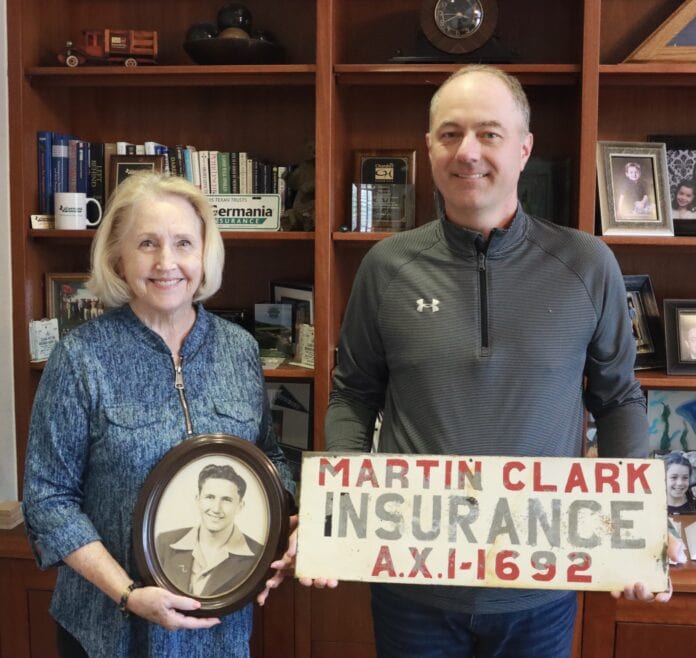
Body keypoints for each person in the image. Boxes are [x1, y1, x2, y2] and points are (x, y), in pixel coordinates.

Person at [301, 64, 672, 658]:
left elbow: (618, 397)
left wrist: (638, 527)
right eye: (450, 134)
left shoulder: (587, 264)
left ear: (524, 150)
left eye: (489, 134)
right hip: (411, 587)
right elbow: (353, 395)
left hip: (541, 589)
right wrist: (340, 509)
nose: (467, 152)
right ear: (429, 148)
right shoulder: (385, 267)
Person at [22, 172, 295, 658]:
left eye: (184, 243)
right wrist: (127, 593)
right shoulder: (81, 358)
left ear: (204, 254)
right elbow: (48, 499)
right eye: (147, 243)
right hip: (109, 628)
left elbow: (266, 460)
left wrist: (285, 528)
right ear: (118, 259)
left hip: (219, 630)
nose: (167, 263)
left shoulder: (240, 350)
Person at [157, 463, 262, 597]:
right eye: (210, 497)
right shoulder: (164, 542)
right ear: (198, 499)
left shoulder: (258, 554)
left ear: (240, 506)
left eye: (227, 500)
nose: (216, 509)